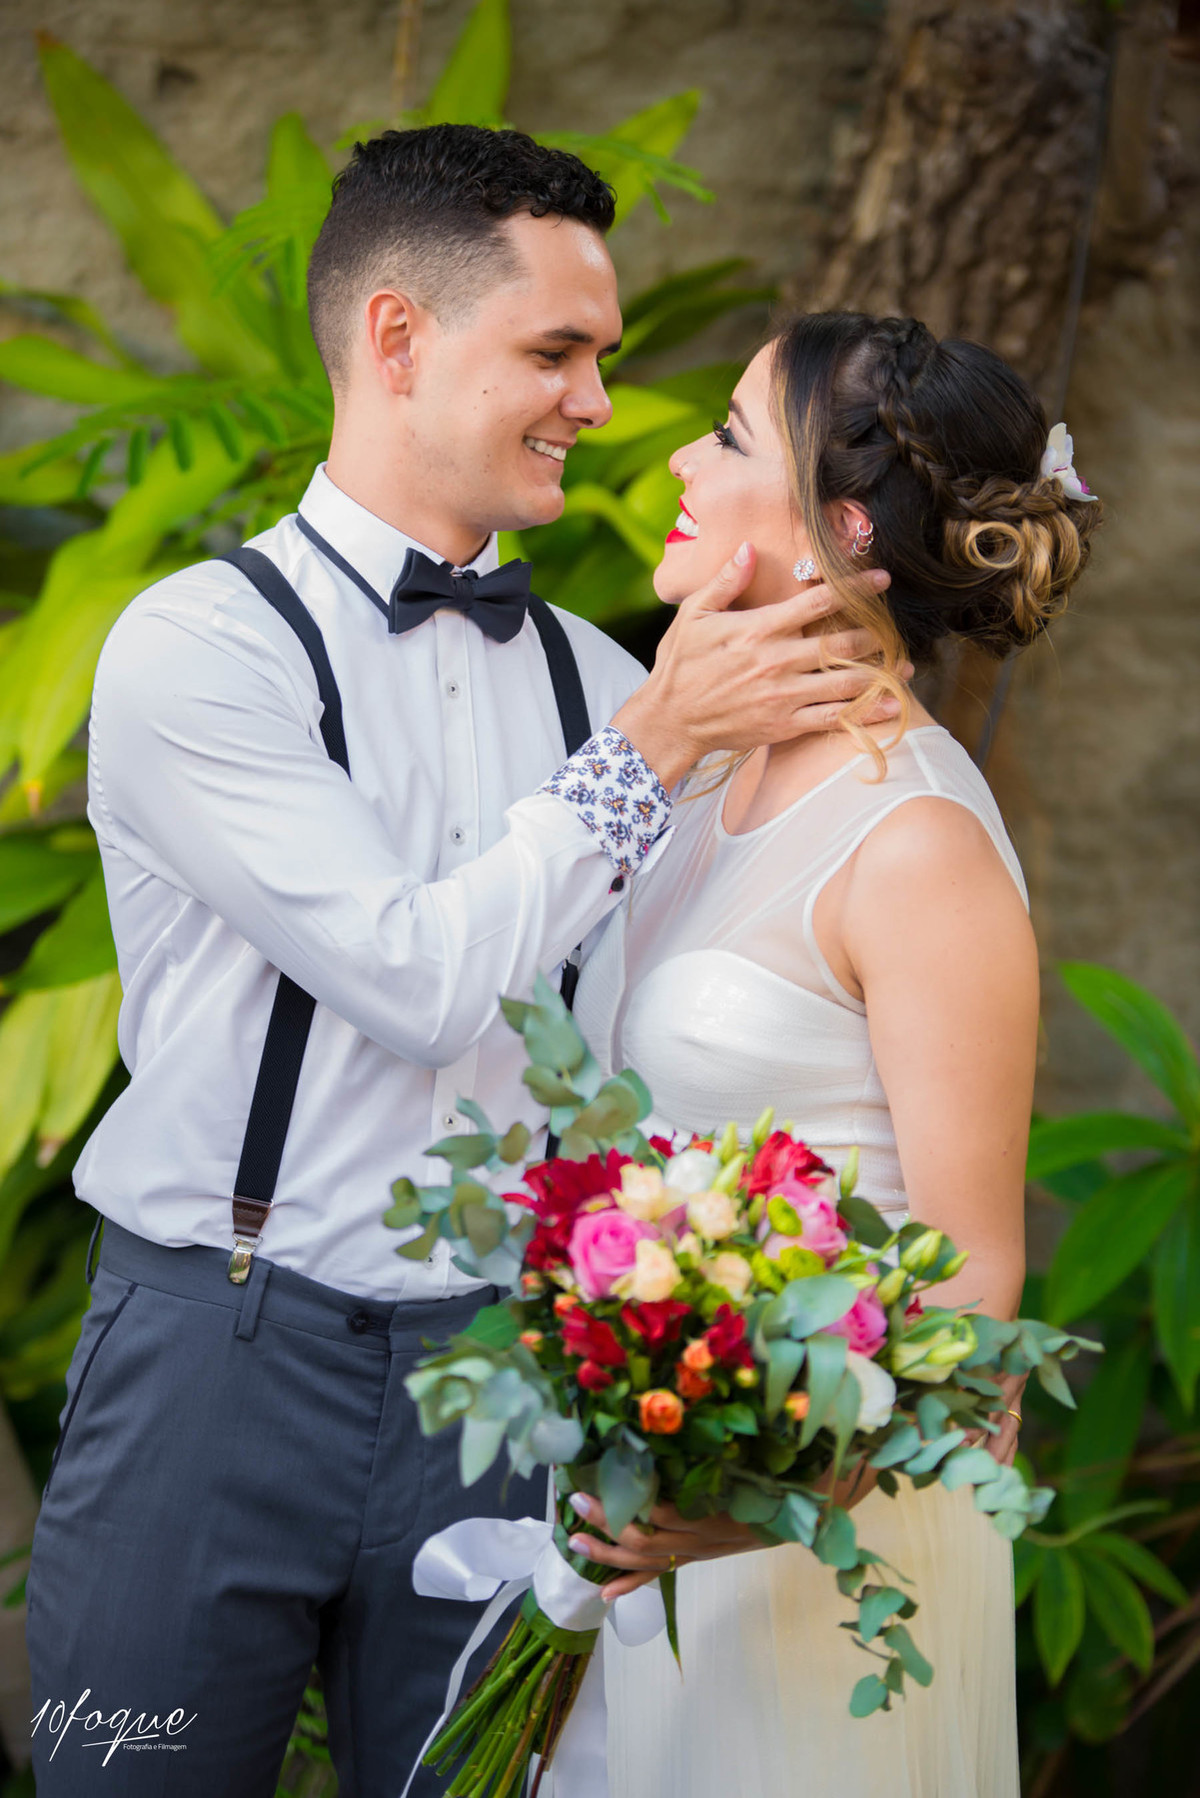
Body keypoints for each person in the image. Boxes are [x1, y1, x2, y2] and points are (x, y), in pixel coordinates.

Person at [24, 129, 898, 1798]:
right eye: (554, 352)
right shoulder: (198, 651)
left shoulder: (598, 679)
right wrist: (651, 746)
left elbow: (683, 1008)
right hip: (220, 1355)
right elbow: (417, 977)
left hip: (512, 1377)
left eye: (607, 359)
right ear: (400, 338)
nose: (594, 399)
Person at [567, 311, 1101, 1796]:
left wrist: (748, 1506)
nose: (675, 452)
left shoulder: (915, 843)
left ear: (835, 534)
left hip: (829, 1554)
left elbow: (976, 1301)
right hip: (671, 1519)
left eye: (731, 435)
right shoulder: (706, 769)